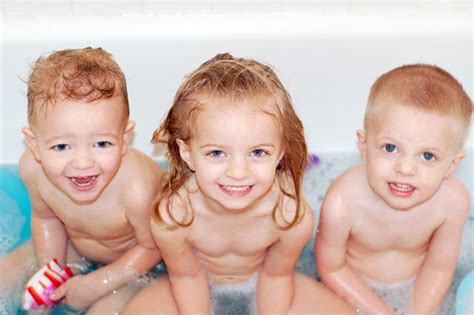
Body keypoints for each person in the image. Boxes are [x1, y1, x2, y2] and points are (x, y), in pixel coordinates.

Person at [123, 53, 353, 314]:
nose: (238, 172)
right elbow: (187, 278)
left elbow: (276, 277)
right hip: (191, 283)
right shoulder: (174, 215)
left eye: (257, 153)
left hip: (266, 281)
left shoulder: (289, 215)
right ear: (188, 154)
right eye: (217, 153)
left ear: (280, 153)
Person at [1, 47, 163, 313]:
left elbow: (154, 246)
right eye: (62, 147)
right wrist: (50, 271)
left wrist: (98, 283)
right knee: (4, 277)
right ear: (34, 145)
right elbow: (47, 219)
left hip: (136, 265)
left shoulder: (137, 189)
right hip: (76, 246)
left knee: (102, 311)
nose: (83, 164)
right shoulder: (33, 170)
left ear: (125, 139)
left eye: (101, 143)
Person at [315, 64, 472, 314]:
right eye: (390, 148)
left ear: (451, 165)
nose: (406, 168)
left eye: (428, 156)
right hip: (349, 293)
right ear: (364, 147)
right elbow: (332, 268)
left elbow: (438, 268)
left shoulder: (452, 201)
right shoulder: (343, 201)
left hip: (416, 289)